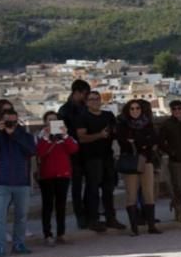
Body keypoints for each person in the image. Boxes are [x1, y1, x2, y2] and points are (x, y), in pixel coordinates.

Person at [0, 108, 36, 257]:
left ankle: (19, 244)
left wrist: (15, 135)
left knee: (21, 216)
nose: (10, 123)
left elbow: (31, 150)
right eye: (8, 120)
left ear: (17, 120)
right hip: (1, 182)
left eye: (13, 120)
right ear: (2, 120)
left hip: (22, 182)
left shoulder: (25, 135)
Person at [76, 91, 125, 233]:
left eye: (97, 99)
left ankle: (111, 217)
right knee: (93, 190)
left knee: (108, 189)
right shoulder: (83, 117)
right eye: (91, 99)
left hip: (107, 156)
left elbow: (114, 131)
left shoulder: (108, 115)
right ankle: (93, 219)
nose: (95, 102)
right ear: (86, 102)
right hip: (91, 158)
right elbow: (82, 137)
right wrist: (100, 135)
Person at [116, 99, 162, 235]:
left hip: (146, 160)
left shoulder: (148, 123)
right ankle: (134, 227)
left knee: (149, 193)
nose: (135, 111)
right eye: (132, 109)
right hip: (131, 161)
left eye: (137, 108)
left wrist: (137, 142)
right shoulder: (123, 124)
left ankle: (151, 225)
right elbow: (123, 142)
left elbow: (153, 140)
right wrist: (143, 142)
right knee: (131, 194)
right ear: (128, 110)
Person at [36, 111, 78, 246]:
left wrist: (64, 135)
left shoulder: (64, 136)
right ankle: (47, 234)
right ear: (45, 122)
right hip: (47, 176)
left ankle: (61, 233)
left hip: (63, 174)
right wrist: (47, 137)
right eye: (49, 120)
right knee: (47, 206)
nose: (52, 122)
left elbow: (74, 149)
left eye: (55, 120)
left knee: (61, 205)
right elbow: (40, 152)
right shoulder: (40, 136)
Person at [58, 79, 90, 229]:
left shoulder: (85, 108)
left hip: (87, 151)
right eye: (84, 94)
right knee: (77, 186)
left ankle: (90, 214)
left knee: (91, 184)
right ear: (77, 93)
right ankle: (80, 216)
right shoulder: (64, 111)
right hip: (73, 153)